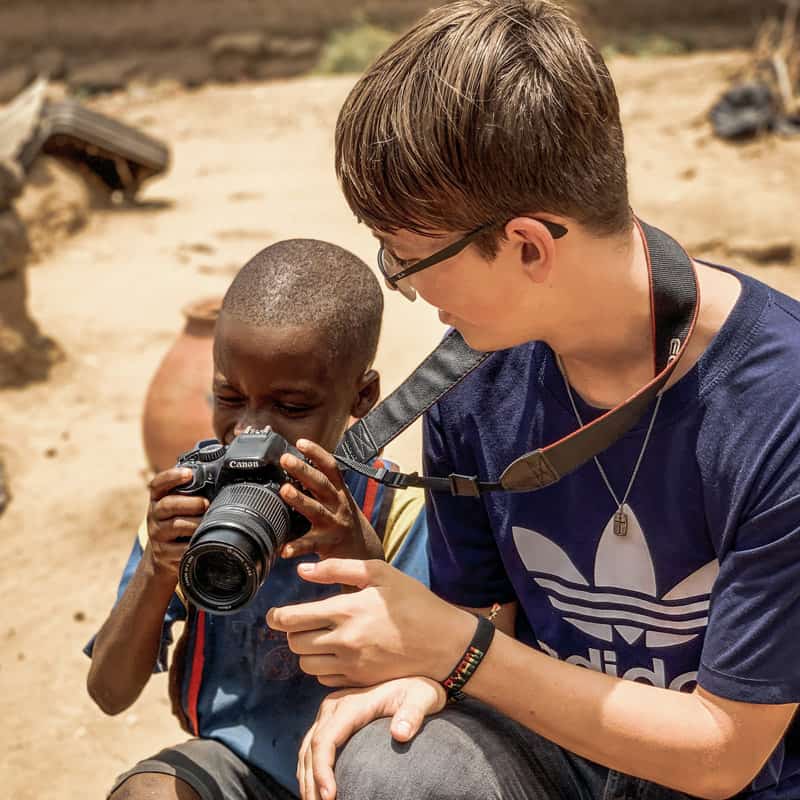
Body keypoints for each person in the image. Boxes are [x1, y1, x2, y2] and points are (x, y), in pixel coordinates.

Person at [266, 3, 800, 799]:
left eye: (405, 258)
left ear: (526, 245)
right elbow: (491, 621)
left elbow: (724, 753)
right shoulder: (468, 380)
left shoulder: (778, 405)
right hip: (563, 750)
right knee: (390, 765)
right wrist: (427, 676)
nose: (404, 289)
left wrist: (454, 651)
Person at [85, 239, 429, 800]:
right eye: (229, 396)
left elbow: (426, 676)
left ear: (362, 396)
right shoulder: (192, 505)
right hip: (235, 766)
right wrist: (158, 566)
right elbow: (109, 692)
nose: (252, 431)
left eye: (291, 408)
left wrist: (351, 546)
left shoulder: (396, 513)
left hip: (362, 767)